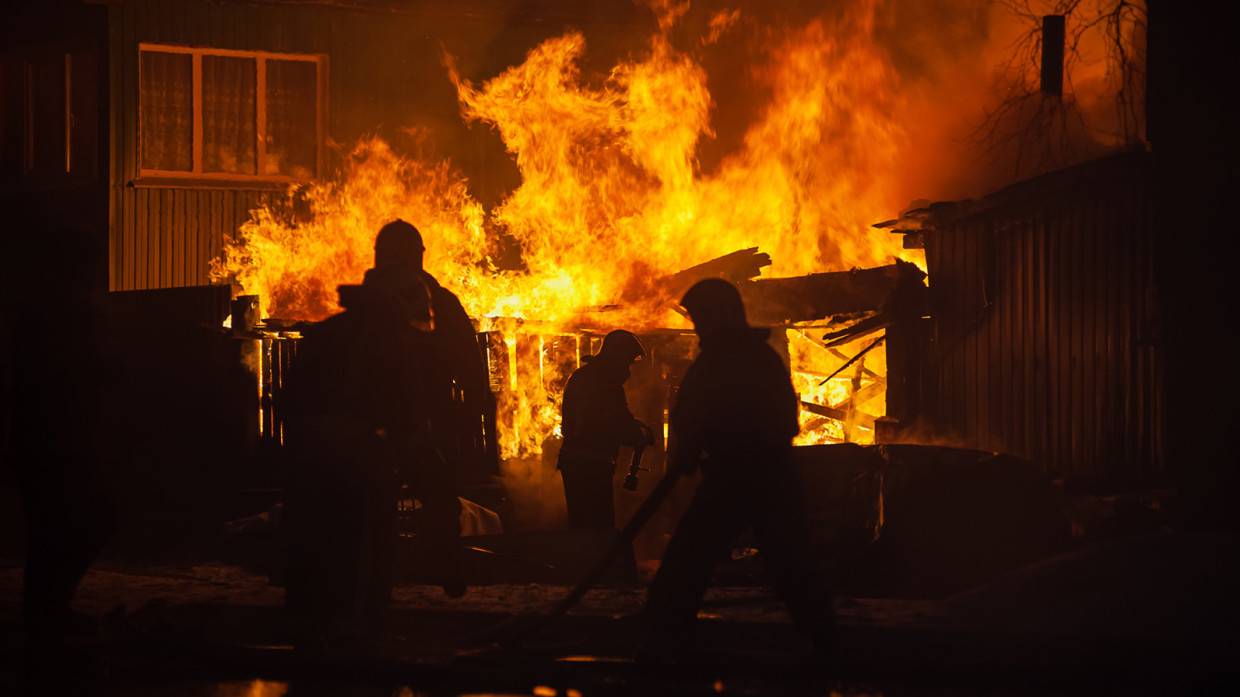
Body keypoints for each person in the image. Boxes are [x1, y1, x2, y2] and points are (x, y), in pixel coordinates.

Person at [282, 219, 463, 650]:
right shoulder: (386, 341)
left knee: (329, 542)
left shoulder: (330, 334)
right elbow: (404, 409)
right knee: (369, 541)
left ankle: (320, 634)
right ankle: (360, 636)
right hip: (357, 459)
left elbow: (293, 402)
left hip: (321, 461)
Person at [639, 278, 835, 660]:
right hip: (759, 476)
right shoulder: (752, 358)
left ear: (722, 315)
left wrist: (705, 446)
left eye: (701, 317)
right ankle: (824, 641)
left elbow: (764, 420)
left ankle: (662, 643)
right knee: (787, 562)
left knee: (690, 560)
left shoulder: (730, 361)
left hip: (744, 476)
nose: (697, 326)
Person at [557, 330, 653, 529]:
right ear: (616, 356)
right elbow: (615, 422)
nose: (628, 368)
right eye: (627, 361)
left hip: (578, 461)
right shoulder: (603, 384)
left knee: (583, 523)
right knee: (597, 526)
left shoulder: (586, 377)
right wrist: (639, 434)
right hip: (590, 462)